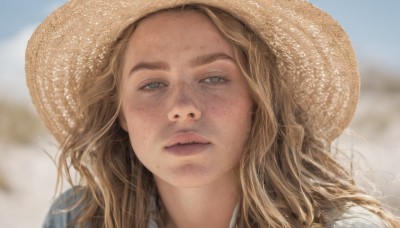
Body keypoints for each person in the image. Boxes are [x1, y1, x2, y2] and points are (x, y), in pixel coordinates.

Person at [25, 0, 399, 227]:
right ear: (120, 113)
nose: (182, 108)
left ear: (257, 100)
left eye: (215, 77)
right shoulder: (76, 220)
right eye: (152, 84)